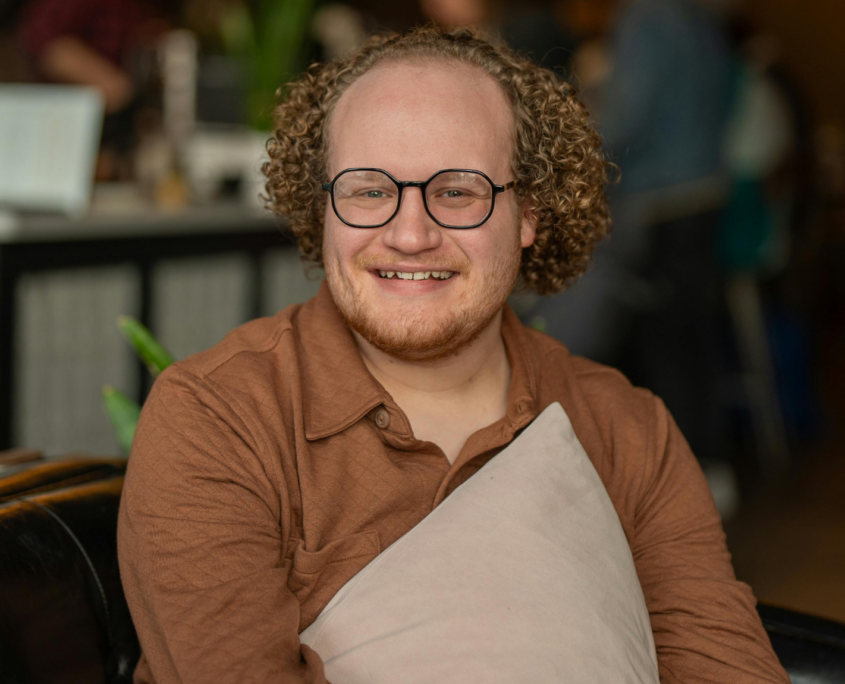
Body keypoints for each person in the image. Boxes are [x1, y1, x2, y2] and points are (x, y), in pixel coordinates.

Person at [117, 25, 788, 683]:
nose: (409, 234)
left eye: (458, 192)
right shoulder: (219, 419)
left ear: (528, 212)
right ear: (322, 207)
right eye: (369, 190)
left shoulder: (625, 428)